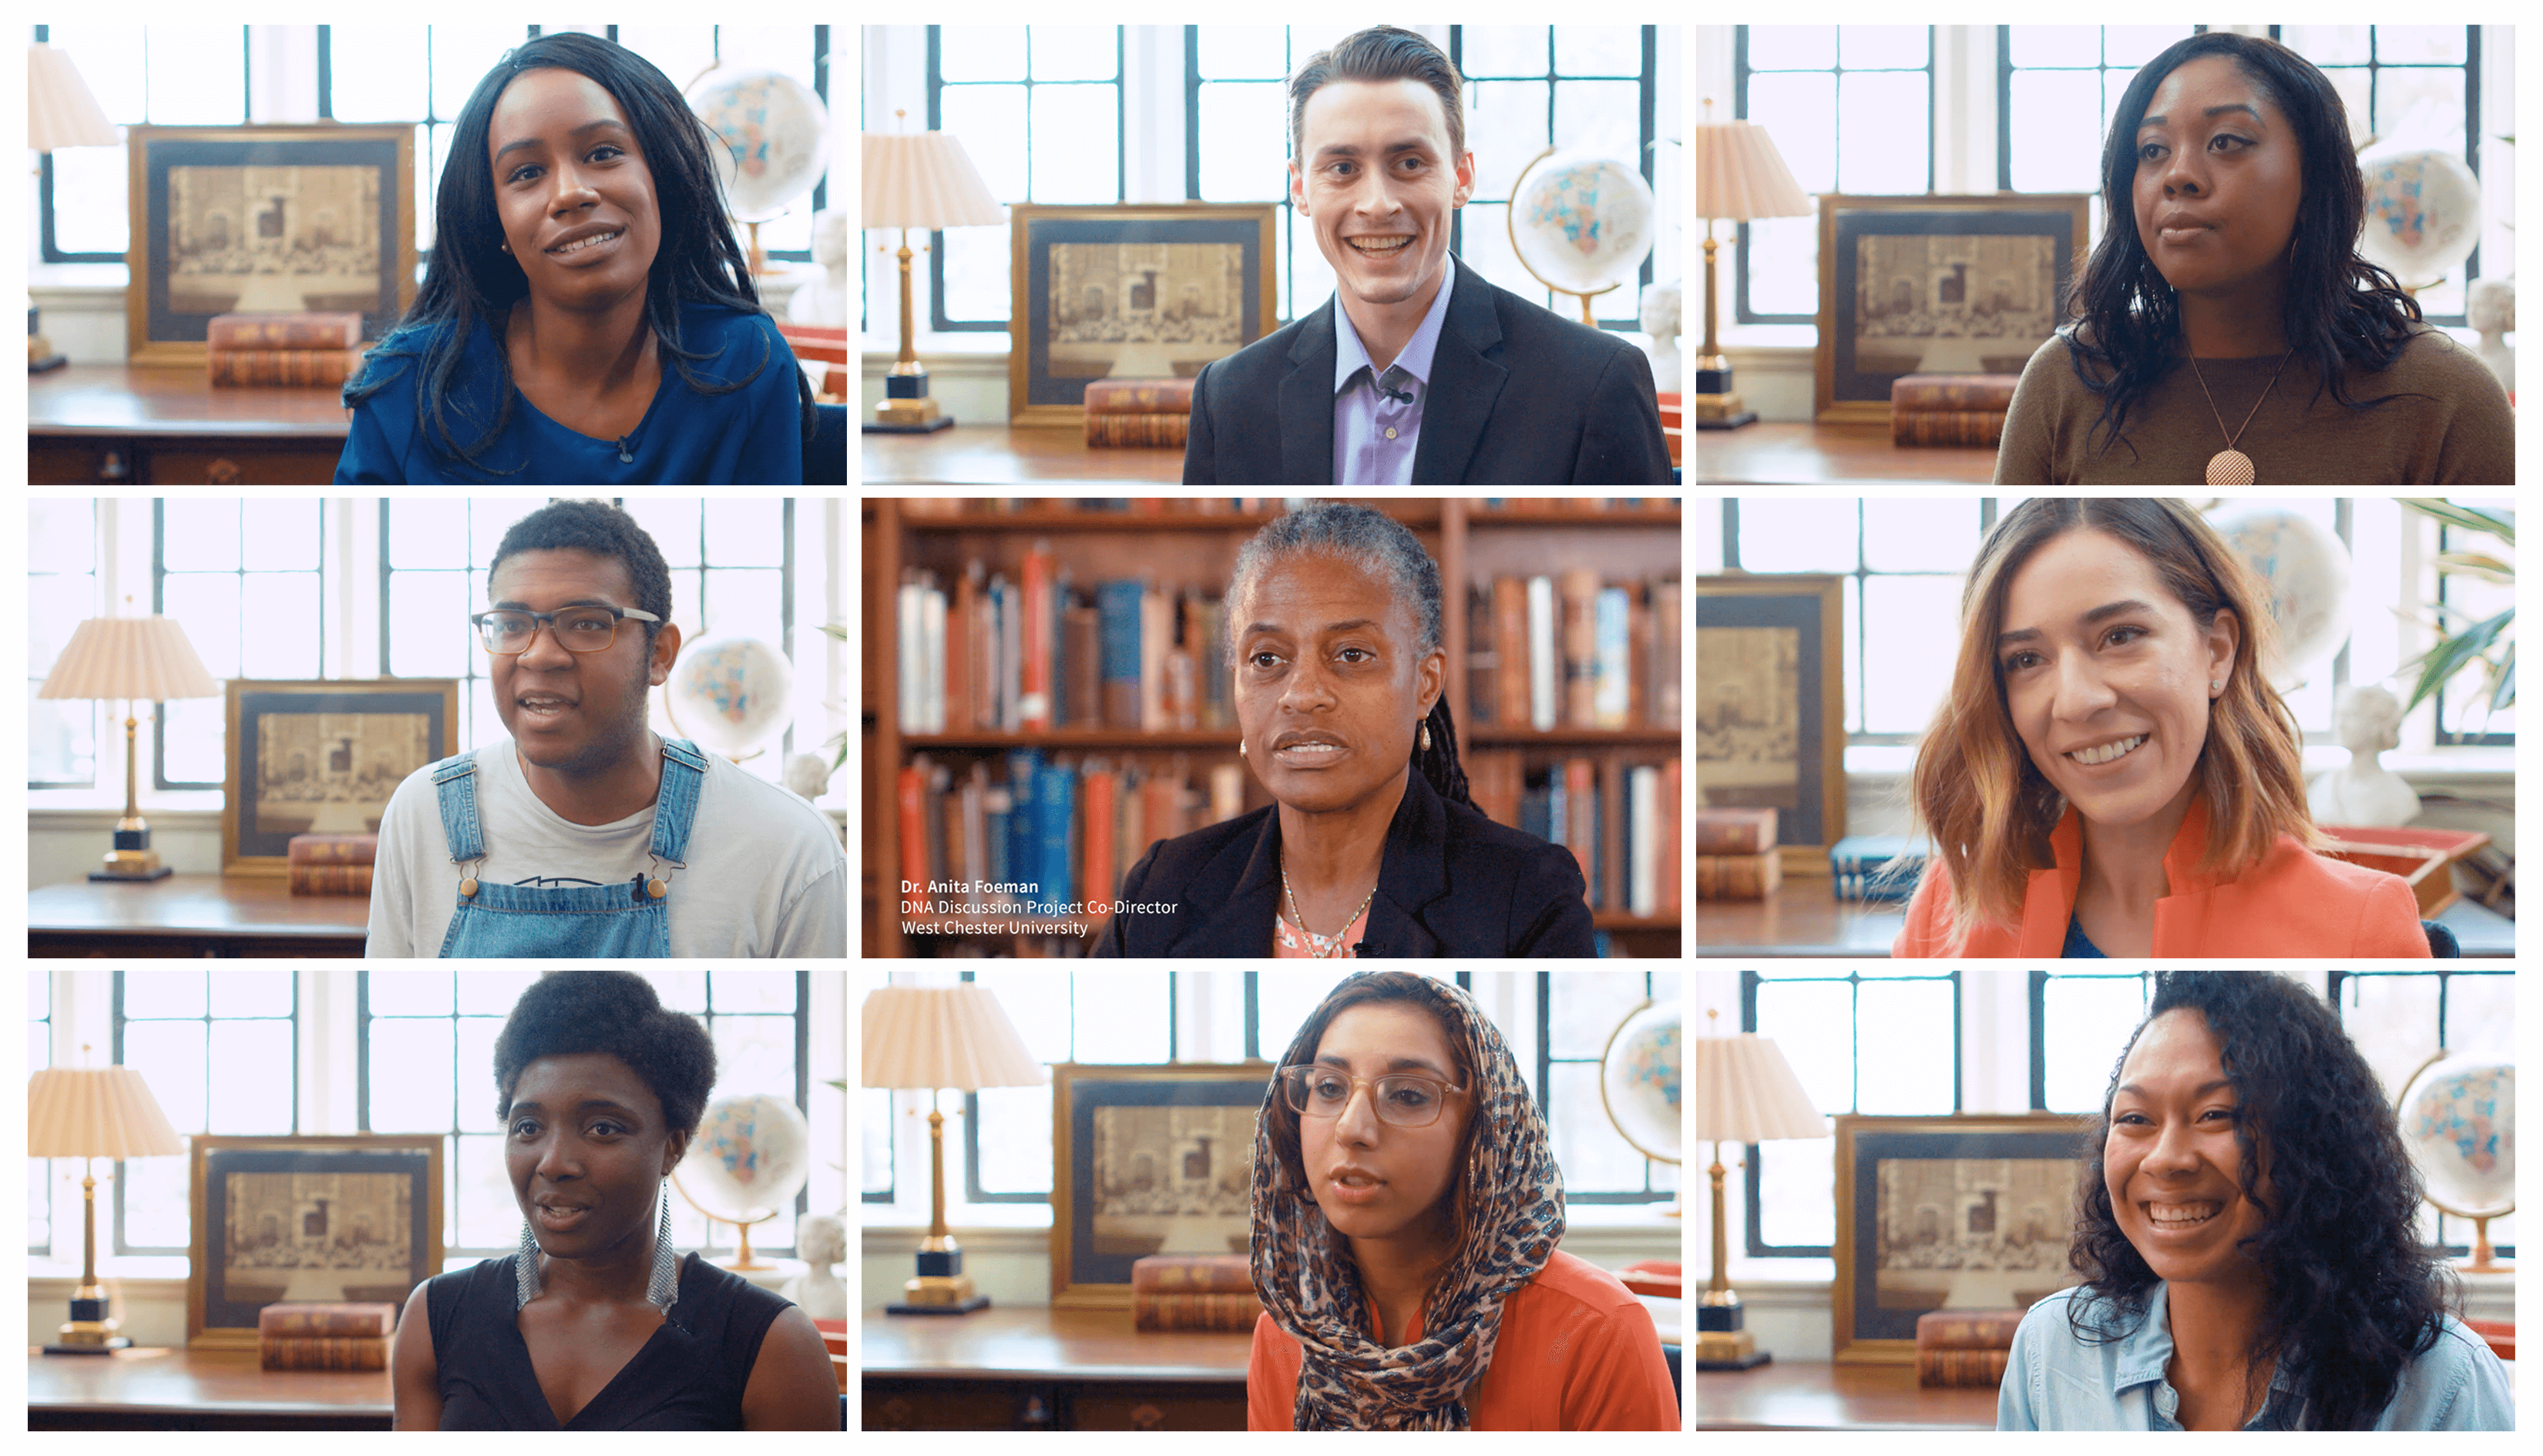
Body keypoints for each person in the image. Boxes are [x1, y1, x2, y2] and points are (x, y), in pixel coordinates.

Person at [1897, 498, 2425, 957]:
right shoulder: (1946, 905)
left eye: (2121, 635)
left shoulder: (2364, 924)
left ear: (2217, 651)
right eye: (2026, 659)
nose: (2077, 702)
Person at [1999, 971, 2513, 1431]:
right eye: (2135, 1118)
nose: (2165, 1159)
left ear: (2313, 1142)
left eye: (2216, 1114)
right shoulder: (2052, 1351)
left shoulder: (2443, 1384)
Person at [1994, 32, 2513, 484]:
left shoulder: (2447, 398)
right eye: (2153, 150)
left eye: (2226, 142)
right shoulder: (2065, 380)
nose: (2178, 174)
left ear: (2314, 180)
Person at [1089, 505, 1593, 956]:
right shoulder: (1163, 886)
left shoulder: (1525, 894)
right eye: (1267, 658)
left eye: (1352, 654)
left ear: (1426, 683)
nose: (1302, 693)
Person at [1181, 26, 1673, 485]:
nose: (1377, 203)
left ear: (1461, 177)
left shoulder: (1596, 384)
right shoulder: (1227, 399)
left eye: (1410, 163)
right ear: (1300, 188)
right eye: (1343, 167)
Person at [364, 501, 845, 958]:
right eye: (512, 624)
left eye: (588, 624)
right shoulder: (422, 813)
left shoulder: (789, 847)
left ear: (659, 653)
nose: (539, 654)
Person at [338, 33, 815, 483]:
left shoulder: (747, 361)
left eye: (604, 153)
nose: (570, 194)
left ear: (661, 177)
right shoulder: (403, 391)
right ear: (496, 221)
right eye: (526, 172)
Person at [391, 971, 841, 1430]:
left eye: (602, 1128)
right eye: (528, 1127)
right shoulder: (436, 1318)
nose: (554, 1162)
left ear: (673, 1146)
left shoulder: (770, 1343)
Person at [1247, 972, 1677, 1430]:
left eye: (1408, 1095)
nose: (1352, 1128)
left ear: (1483, 1129)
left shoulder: (1597, 1330)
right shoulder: (1290, 1332)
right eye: (1329, 1088)